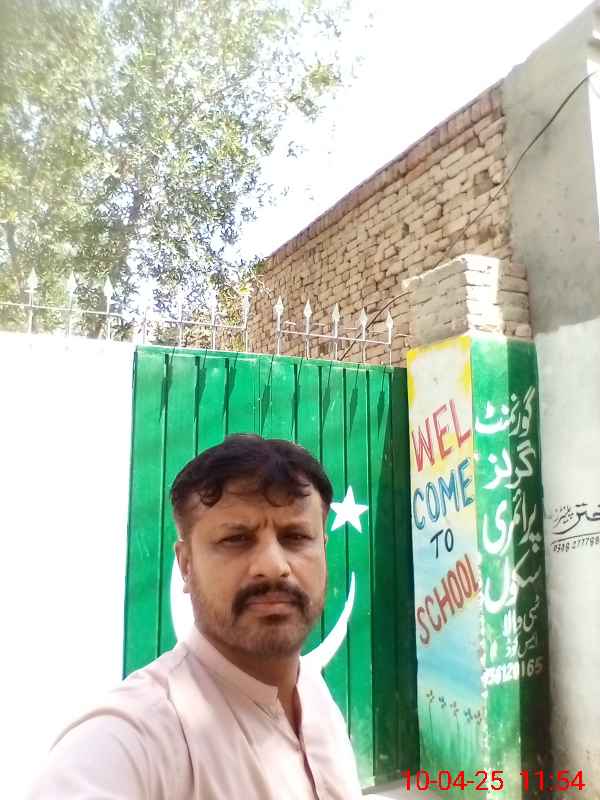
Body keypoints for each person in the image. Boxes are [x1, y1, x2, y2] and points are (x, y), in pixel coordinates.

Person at [28, 434, 363, 799]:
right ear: (186, 565)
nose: (273, 565)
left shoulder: (315, 697)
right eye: (236, 539)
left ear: (323, 548)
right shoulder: (136, 735)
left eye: (295, 536)